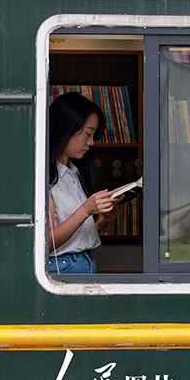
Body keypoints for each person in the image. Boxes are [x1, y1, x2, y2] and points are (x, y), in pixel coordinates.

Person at [47, 92, 116, 274]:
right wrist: (85, 210)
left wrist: (101, 223)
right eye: (87, 133)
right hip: (63, 268)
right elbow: (45, 242)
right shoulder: (48, 178)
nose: (91, 142)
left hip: (83, 263)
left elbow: (75, 241)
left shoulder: (73, 173)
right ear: (66, 128)